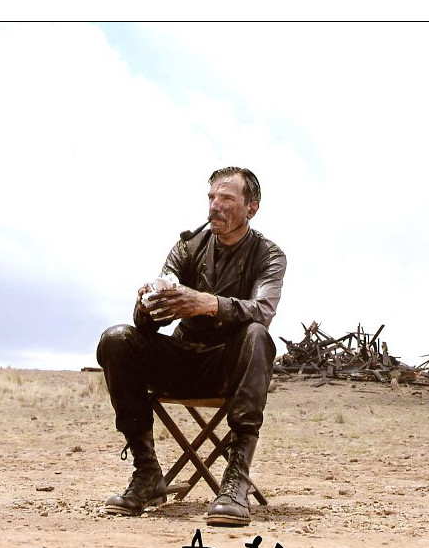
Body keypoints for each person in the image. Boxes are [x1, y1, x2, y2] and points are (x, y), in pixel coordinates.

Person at [96, 167, 287, 526]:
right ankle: (147, 474)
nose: (215, 205)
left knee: (257, 335)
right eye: (212, 197)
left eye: (226, 198)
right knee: (116, 339)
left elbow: (263, 311)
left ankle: (235, 481)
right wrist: (148, 304)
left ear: (252, 208)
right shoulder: (188, 246)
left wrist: (207, 303)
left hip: (231, 369)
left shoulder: (269, 254)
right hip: (182, 362)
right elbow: (148, 325)